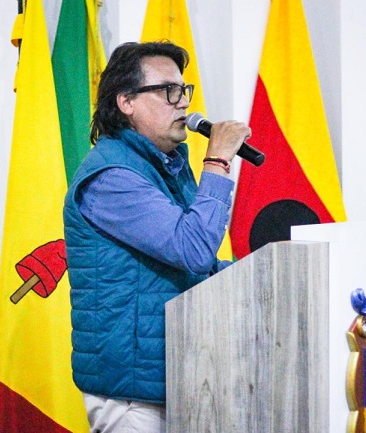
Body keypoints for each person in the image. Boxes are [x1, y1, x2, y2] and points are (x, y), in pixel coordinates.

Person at [63, 41, 250, 433]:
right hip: (133, 396)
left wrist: (256, 273)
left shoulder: (165, 164)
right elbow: (192, 249)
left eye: (184, 90)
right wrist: (217, 161)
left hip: (177, 375)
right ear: (126, 102)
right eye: (169, 91)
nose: (184, 102)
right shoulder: (112, 177)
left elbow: (190, 267)